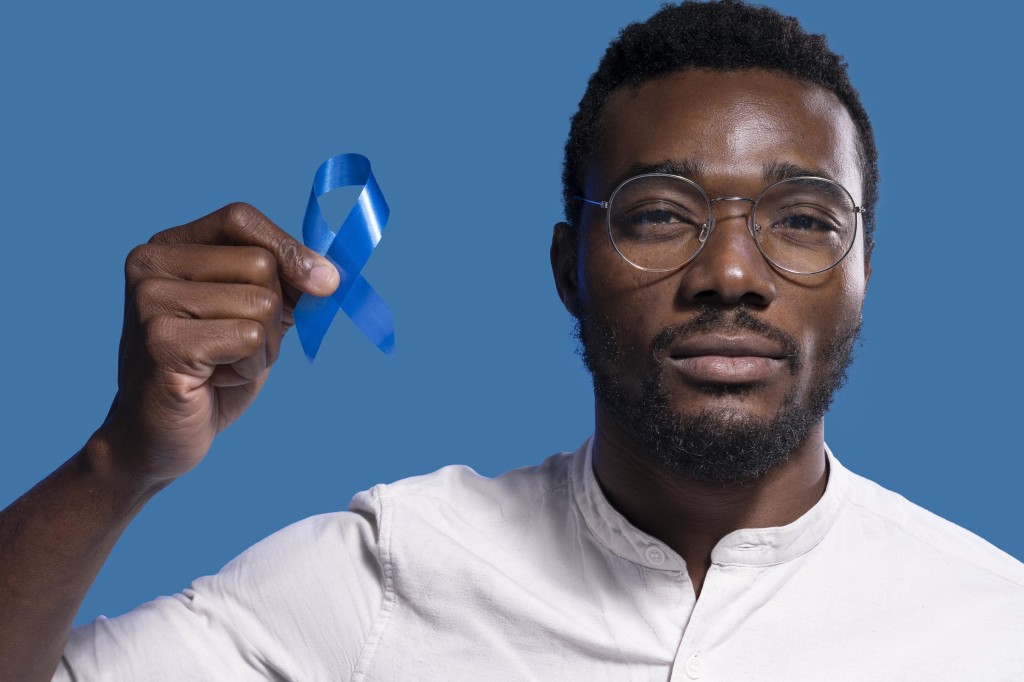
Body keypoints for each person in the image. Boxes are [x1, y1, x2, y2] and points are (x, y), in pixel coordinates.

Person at [2, 1, 1022, 679]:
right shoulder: (388, 569)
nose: (731, 273)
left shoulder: (994, 628)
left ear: (863, 277)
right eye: (659, 213)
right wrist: (117, 464)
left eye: (803, 222)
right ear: (566, 269)